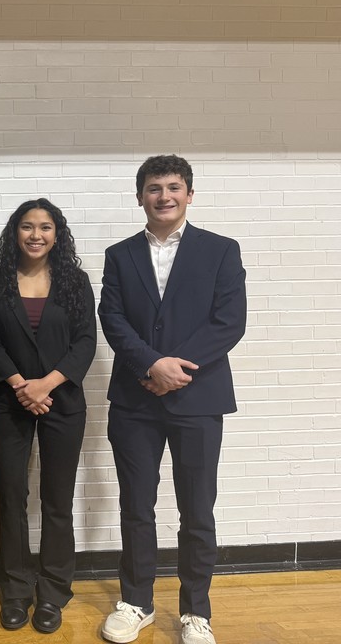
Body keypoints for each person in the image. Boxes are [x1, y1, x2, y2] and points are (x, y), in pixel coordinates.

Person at [98, 155, 246, 644]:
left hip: (199, 400)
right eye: (154, 187)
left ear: (190, 194)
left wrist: (174, 368)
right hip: (135, 400)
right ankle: (136, 602)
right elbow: (113, 319)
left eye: (174, 187)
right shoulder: (119, 255)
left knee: (197, 510)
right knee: (136, 507)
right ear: (139, 195)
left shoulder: (221, 250)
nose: (165, 196)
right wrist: (151, 365)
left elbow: (229, 322)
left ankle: (194, 613)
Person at [0, 199, 97, 635]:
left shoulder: (75, 281)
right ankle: (16, 590)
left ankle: (53, 593)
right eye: (27, 227)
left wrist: (45, 385)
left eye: (45, 227)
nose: (36, 235)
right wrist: (20, 385)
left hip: (62, 401)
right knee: (11, 498)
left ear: (57, 234)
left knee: (57, 500)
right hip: (8, 401)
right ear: (15, 232)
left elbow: (86, 341)